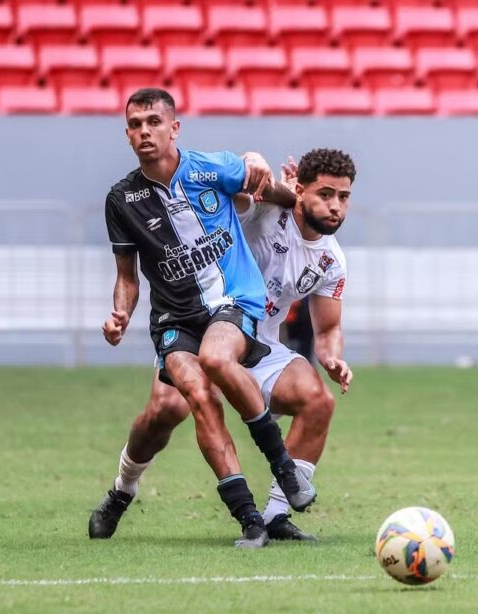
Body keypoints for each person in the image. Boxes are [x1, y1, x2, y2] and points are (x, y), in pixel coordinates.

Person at [93, 147, 356, 542]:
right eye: (325, 194)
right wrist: (257, 167)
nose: (335, 206)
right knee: (163, 412)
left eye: (344, 197)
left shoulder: (331, 261)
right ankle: (122, 488)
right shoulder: (263, 213)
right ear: (300, 189)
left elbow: (327, 328)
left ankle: (275, 515)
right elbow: (234, 193)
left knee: (318, 401)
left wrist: (332, 357)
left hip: (255, 341)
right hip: (199, 324)